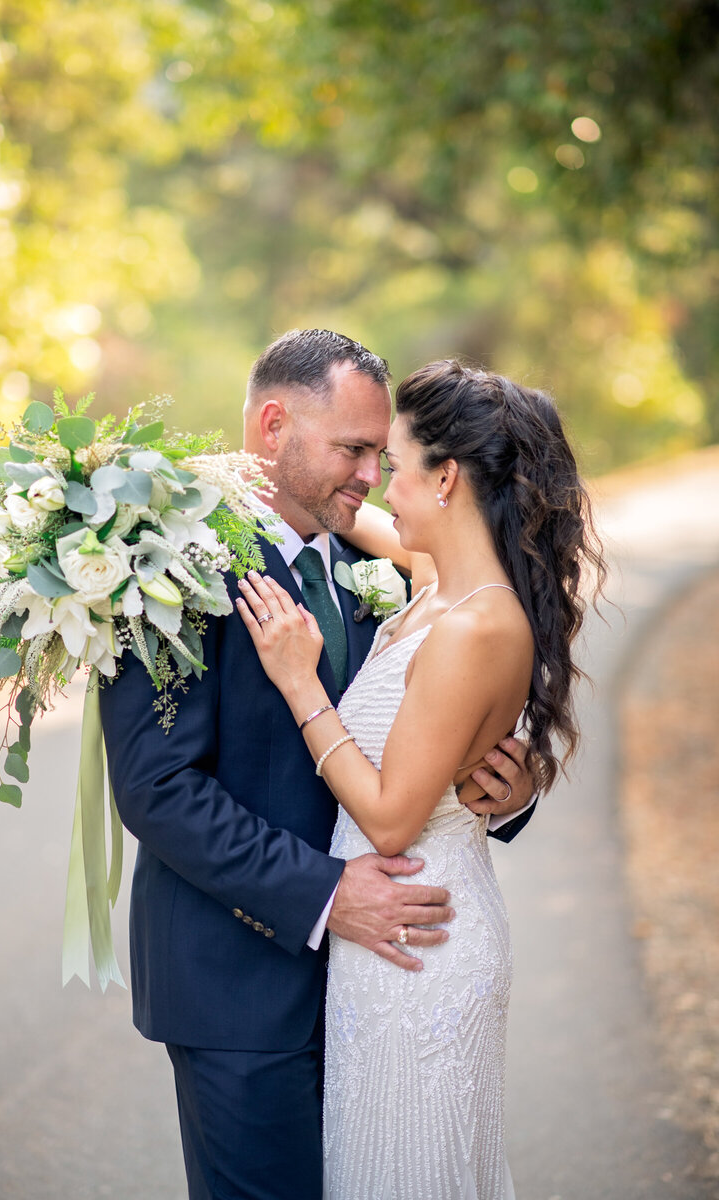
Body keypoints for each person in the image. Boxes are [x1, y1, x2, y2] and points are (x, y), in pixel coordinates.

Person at [99, 332, 537, 1200]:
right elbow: (158, 789)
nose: (372, 475)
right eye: (352, 450)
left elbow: (441, 717)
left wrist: (511, 787)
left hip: (376, 992)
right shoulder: (162, 568)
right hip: (240, 988)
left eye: (382, 453)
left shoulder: (381, 555)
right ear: (272, 425)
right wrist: (329, 894)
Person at [237, 357, 605, 1199]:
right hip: (390, 945)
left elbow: (393, 819)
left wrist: (301, 683)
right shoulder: (437, 587)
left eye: (395, 468)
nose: (376, 489)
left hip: (421, 946)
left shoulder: (477, 625)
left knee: (412, 1170)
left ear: (445, 479)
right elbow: (335, 516)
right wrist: (205, 488)